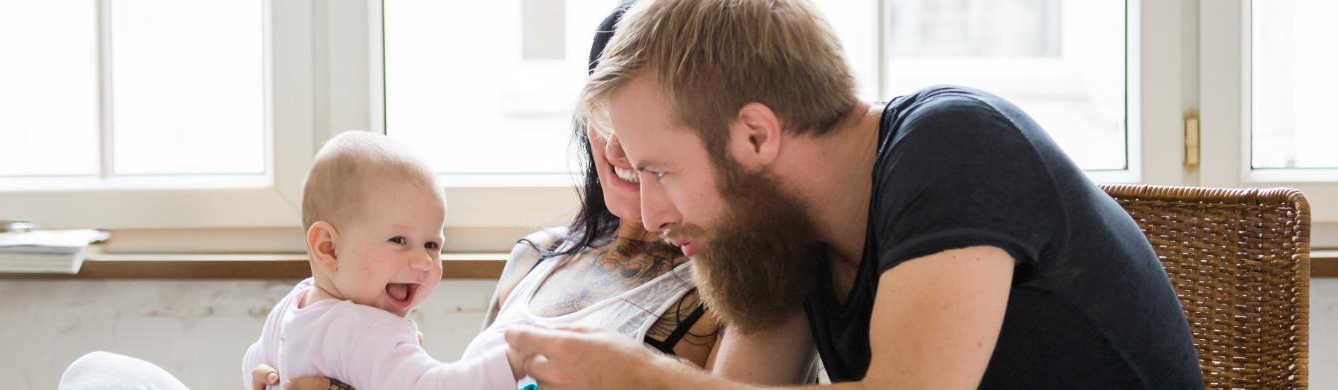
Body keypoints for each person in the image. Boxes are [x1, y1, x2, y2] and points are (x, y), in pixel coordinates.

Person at [504, 0, 1204, 389]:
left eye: (659, 171)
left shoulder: (956, 144)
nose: (650, 215)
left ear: (754, 136)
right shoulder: (779, 229)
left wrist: (644, 381)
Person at [256, 5, 728, 388]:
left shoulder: (732, 290)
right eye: (608, 118)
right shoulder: (535, 256)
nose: (623, 147)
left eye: (650, 128)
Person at [240, 131, 528, 390]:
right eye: (399, 241)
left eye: (432, 245)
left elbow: (254, 363)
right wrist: (511, 362)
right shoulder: (368, 330)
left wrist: (266, 375)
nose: (424, 261)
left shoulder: (293, 305)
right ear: (329, 248)